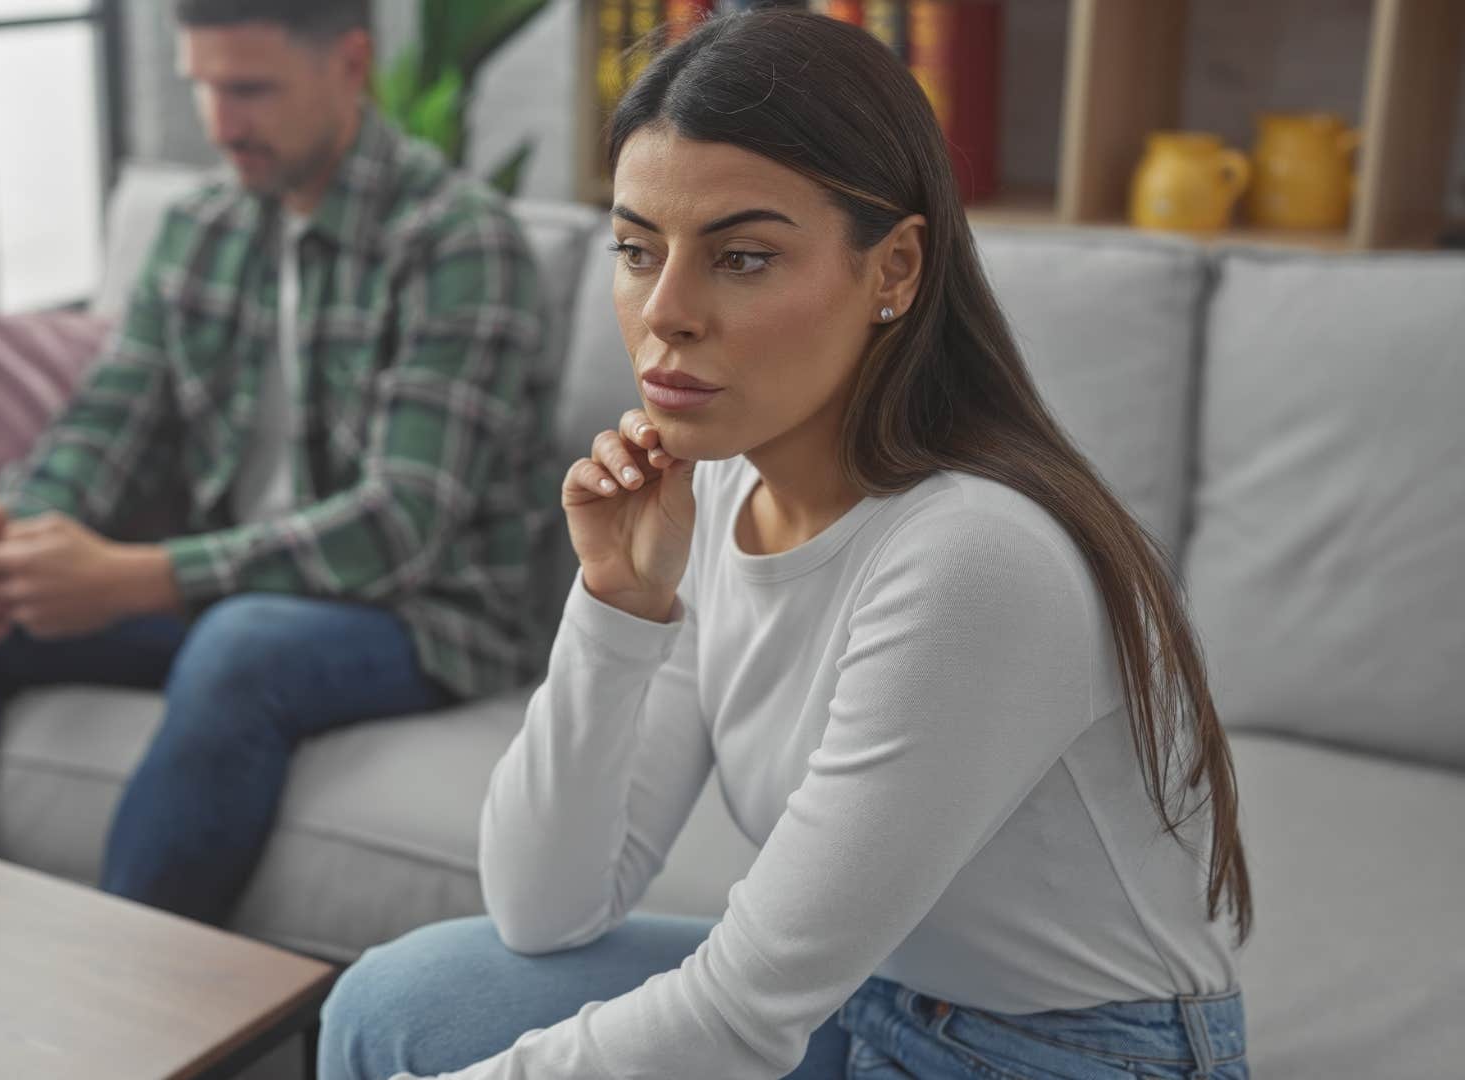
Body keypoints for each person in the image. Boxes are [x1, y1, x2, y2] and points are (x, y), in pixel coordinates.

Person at [318, 11, 1252, 1079]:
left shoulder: (974, 559)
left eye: (743, 257)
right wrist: (616, 607)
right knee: (396, 1004)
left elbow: (741, 1015)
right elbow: (545, 908)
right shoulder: (715, 493)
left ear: (894, 269)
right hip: (874, 1001)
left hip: (1066, 1055)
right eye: (634, 250)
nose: (664, 313)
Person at [0, 0, 554, 926]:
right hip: (226, 588)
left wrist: (139, 578)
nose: (220, 122)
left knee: (243, 644)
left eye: (251, 88)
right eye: (205, 86)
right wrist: (6, 536)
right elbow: (105, 425)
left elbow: (400, 526)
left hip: (421, 614)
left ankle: (129, 1031)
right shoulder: (201, 228)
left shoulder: (461, 242)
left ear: (350, 66)